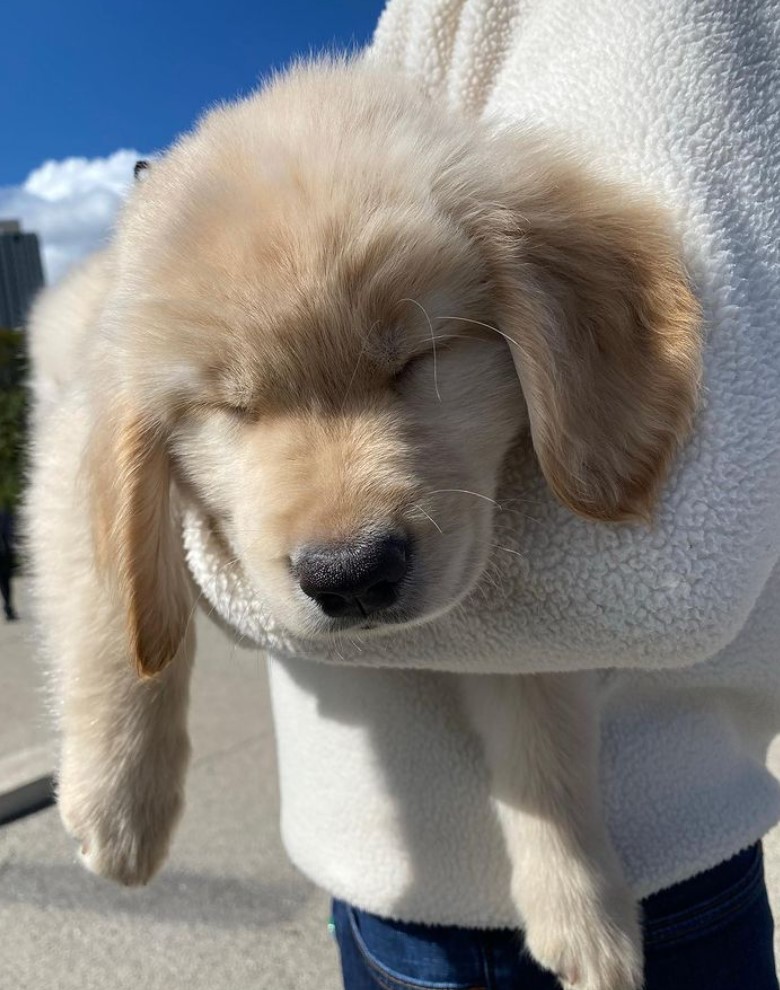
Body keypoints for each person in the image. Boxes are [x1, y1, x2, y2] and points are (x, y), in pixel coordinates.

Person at [178, 1, 780, 987]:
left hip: (631, 881)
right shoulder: (406, 31)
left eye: (411, 363)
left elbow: (668, 559)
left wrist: (198, 557)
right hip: (371, 878)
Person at [0, 507, 17, 621]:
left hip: (4, 556)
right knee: (5, 583)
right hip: (5, 555)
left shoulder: (5, 515)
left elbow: (10, 534)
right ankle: (8, 607)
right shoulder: (5, 516)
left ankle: (8, 607)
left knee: (5, 583)